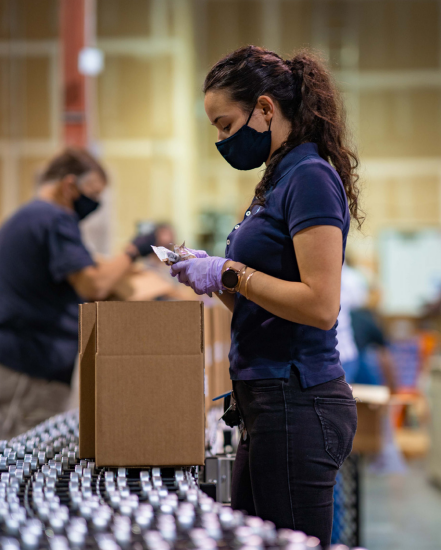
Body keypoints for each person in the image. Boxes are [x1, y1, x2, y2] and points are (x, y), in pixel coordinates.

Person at [170, 46, 361, 546]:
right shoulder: (278, 180)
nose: (220, 140)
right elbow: (263, 302)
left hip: (299, 401)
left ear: (266, 109)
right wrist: (211, 279)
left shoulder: (310, 177)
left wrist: (230, 272)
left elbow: (320, 306)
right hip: (267, 403)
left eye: (225, 125)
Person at [0, 148, 164, 439]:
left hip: (24, 357)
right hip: (30, 366)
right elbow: (94, 285)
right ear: (69, 185)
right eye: (93, 193)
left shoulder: (28, 217)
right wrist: (133, 250)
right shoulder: (55, 219)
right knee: (22, 459)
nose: (96, 203)